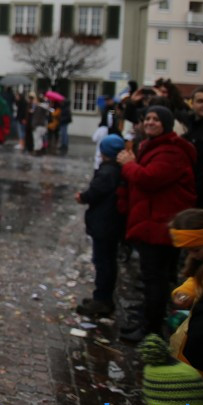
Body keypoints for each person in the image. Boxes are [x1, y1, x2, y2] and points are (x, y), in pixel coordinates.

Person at [117, 105, 197, 342]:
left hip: (160, 226)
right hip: (152, 222)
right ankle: (147, 320)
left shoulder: (171, 151)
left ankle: (151, 329)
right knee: (151, 277)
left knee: (155, 279)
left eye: (156, 119)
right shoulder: (152, 145)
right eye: (148, 118)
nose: (150, 122)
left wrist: (128, 164)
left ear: (166, 124)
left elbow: (149, 178)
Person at [74, 134, 125, 318]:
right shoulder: (117, 169)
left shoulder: (107, 171)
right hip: (110, 223)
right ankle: (103, 297)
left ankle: (102, 299)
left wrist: (82, 196)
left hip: (105, 223)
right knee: (107, 260)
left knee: (103, 261)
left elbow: (95, 191)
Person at [168, 208, 203, 385]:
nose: (191, 255)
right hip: (198, 343)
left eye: (194, 250)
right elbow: (199, 280)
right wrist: (186, 292)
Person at [183, 87, 203, 210]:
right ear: (192, 103)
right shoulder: (190, 125)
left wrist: (198, 186)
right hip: (192, 191)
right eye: (201, 101)